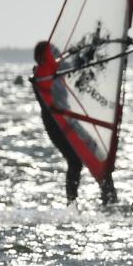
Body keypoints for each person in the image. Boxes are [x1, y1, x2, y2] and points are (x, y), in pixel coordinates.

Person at [32, 41, 117, 204]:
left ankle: (107, 197)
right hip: (55, 124)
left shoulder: (56, 70)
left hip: (68, 120)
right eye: (54, 53)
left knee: (97, 153)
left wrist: (91, 48)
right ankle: (72, 203)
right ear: (45, 57)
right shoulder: (42, 73)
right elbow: (58, 70)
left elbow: (75, 64)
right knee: (75, 161)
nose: (58, 56)